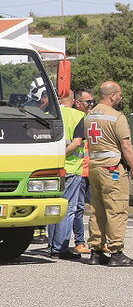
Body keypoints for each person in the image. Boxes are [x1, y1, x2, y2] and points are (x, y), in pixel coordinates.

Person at [85, 81, 133, 267]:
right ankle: (116, 252)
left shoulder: (89, 116)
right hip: (112, 169)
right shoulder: (117, 117)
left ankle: (96, 251)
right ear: (113, 96)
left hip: (94, 167)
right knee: (116, 209)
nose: (121, 98)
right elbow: (126, 145)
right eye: (120, 95)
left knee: (97, 210)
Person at [45, 90, 86, 259]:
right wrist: (62, 156)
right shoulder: (78, 116)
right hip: (71, 168)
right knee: (68, 209)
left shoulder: (48, 115)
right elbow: (77, 142)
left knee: (53, 207)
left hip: (50, 169)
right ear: (73, 100)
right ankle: (60, 247)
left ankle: (51, 244)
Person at [71, 89, 95, 254]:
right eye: (88, 102)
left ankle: (97, 242)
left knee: (97, 208)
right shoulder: (75, 119)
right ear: (78, 103)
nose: (91, 105)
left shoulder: (92, 119)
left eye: (93, 101)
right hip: (79, 170)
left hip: (93, 171)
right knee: (78, 208)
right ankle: (79, 241)